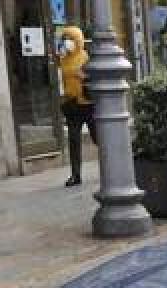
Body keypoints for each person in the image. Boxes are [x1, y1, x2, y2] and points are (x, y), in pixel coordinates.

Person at [56, 26, 95, 188]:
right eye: (65, 39)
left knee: (98, 138)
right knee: (73, 140)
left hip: (88, 104)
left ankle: (113, 164)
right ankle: (75, 174)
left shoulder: (86, 57)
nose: (67, 42)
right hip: (72, 105)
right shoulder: (63, 59)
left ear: (78, 40)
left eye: (70, 39)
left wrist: (84, 77)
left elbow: (95, 77)